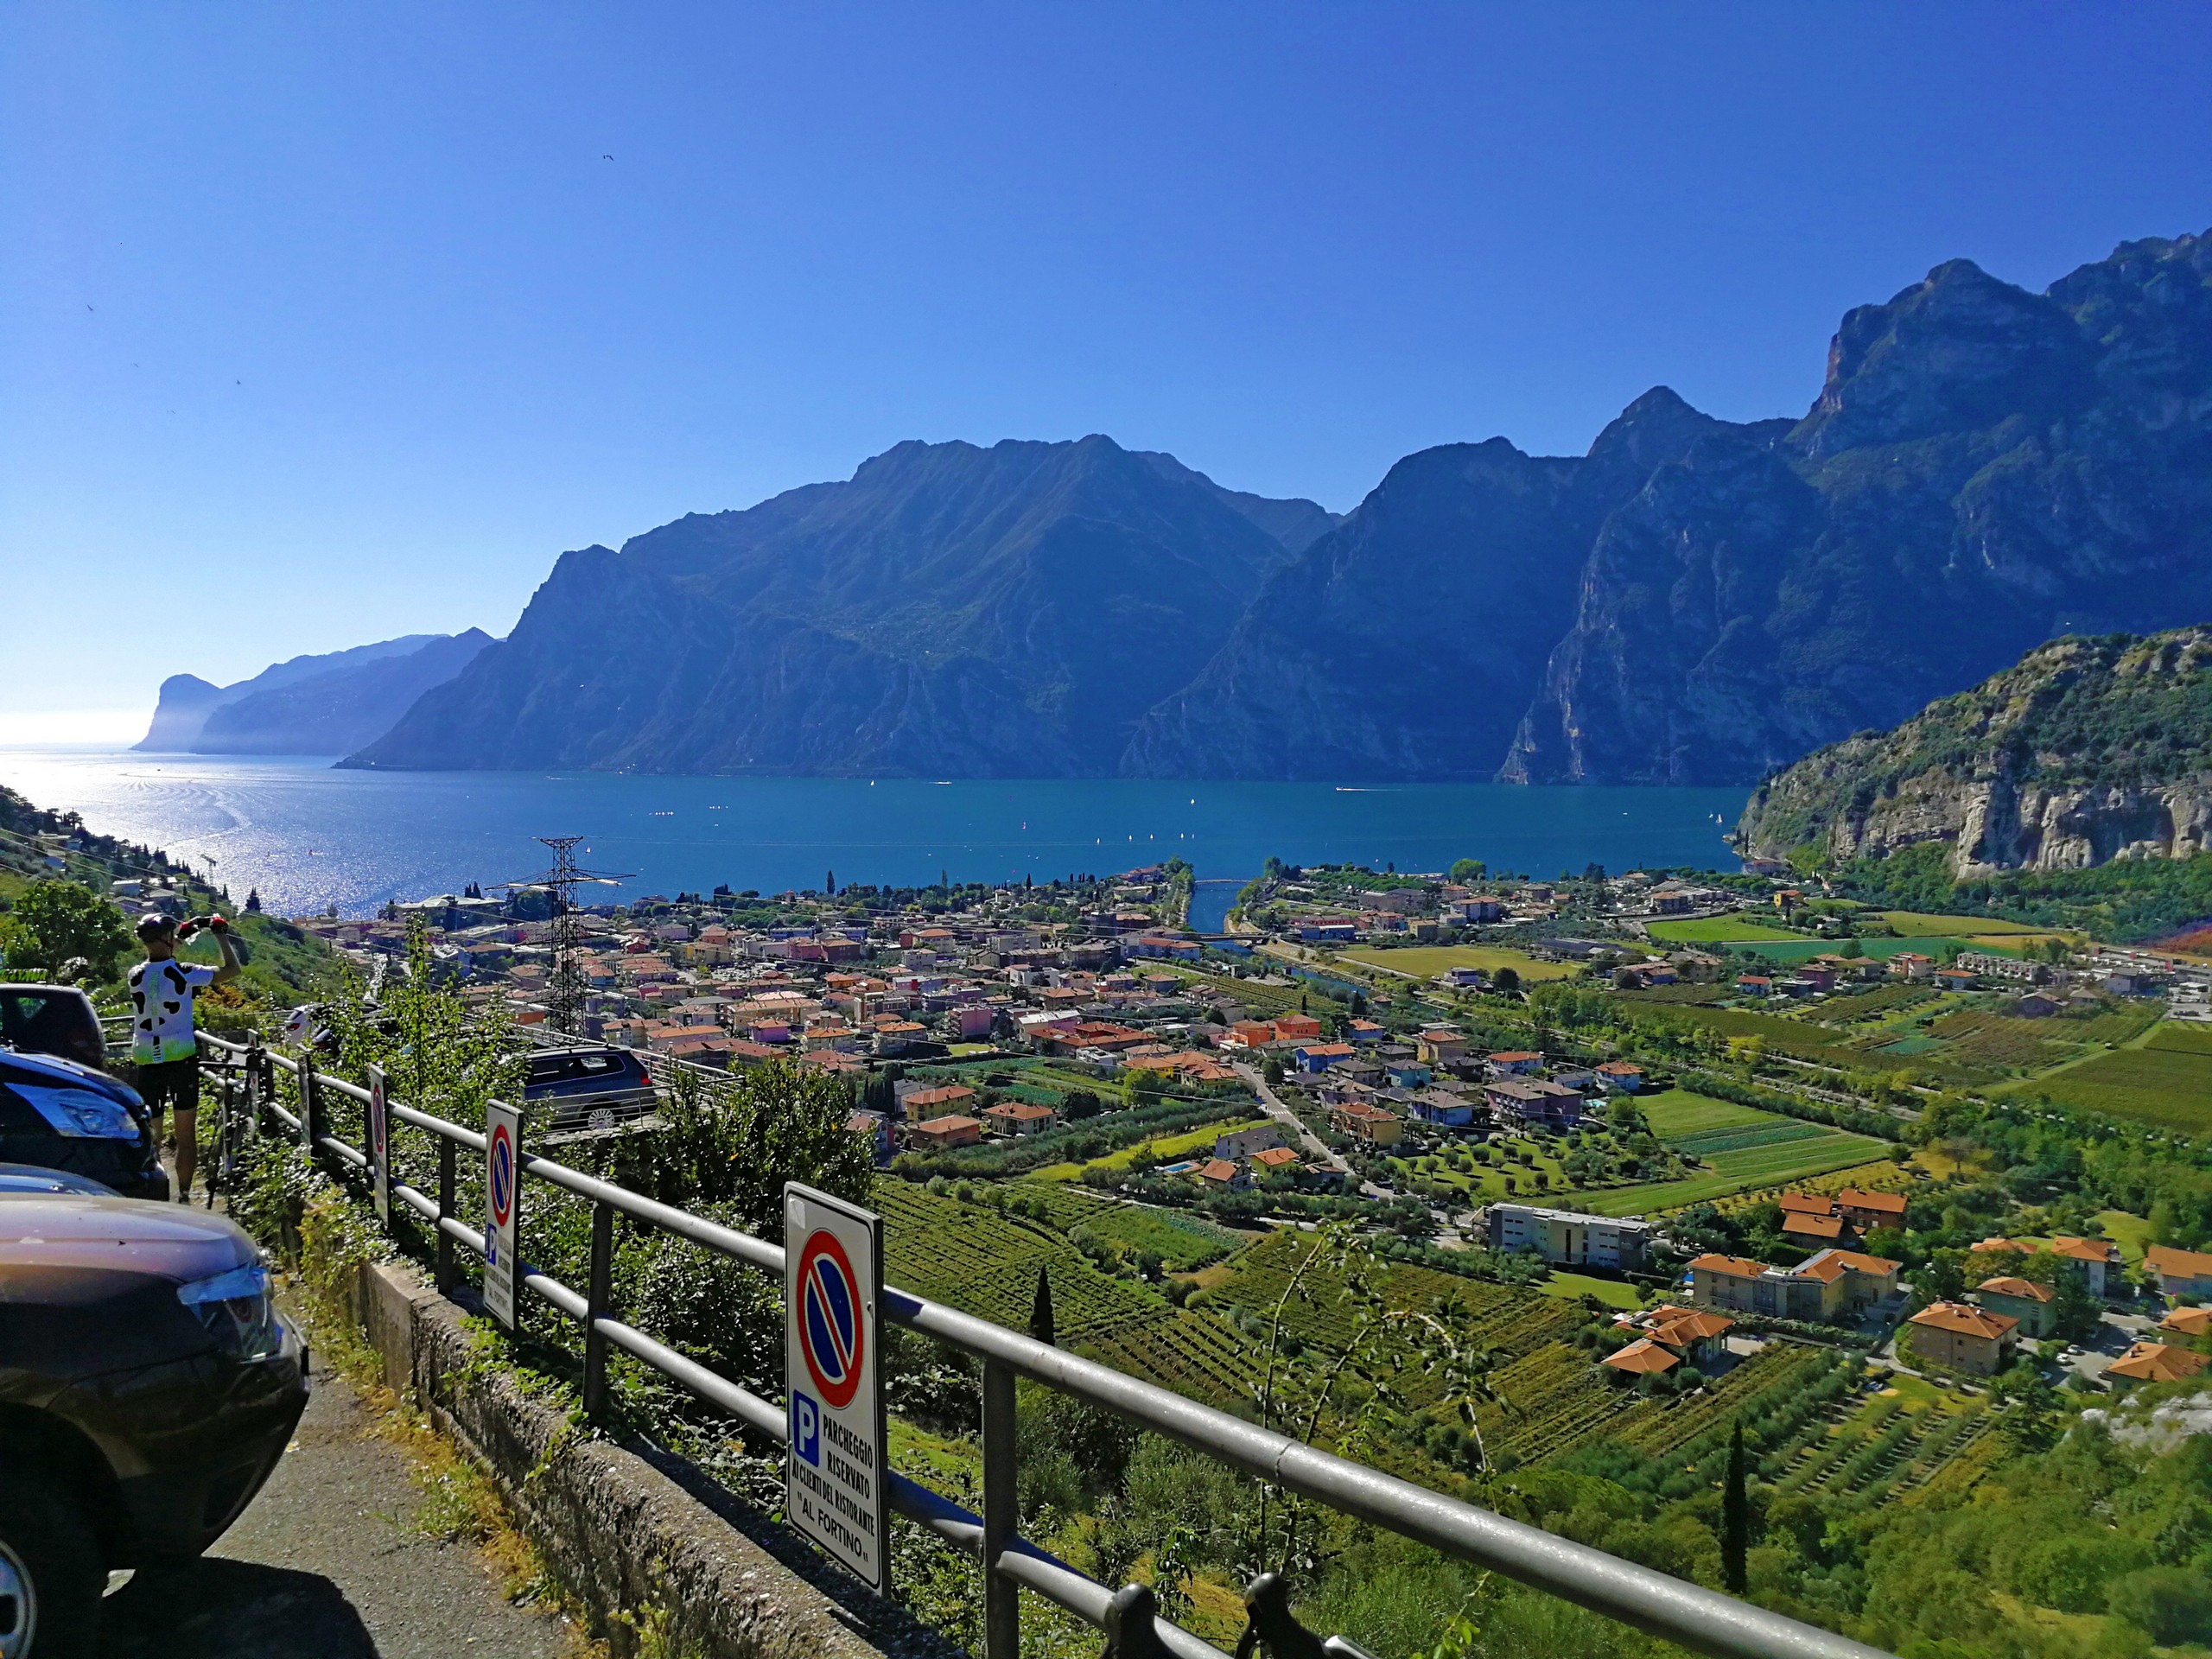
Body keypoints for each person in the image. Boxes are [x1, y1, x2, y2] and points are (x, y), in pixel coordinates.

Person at [128, 912, 240, 1202]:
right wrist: (220, 934)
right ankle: (185, 1195)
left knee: (153, 1137)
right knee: (185, 1136)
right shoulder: (185, 972)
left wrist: (184, 934)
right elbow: (232, 969)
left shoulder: (135, 975)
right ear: (167, 939)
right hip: (181, 1056)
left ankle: (155, 1193)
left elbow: (162, 960)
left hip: (147, 1058)